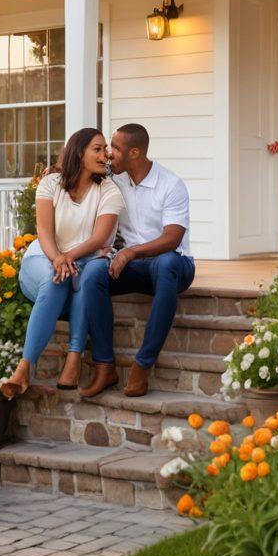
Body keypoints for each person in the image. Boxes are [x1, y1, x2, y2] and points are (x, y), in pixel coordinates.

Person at [0, 128, 123, 400]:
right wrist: (58, 258)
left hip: (82, 261)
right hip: (43, 257)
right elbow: (44, 231)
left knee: (77, 278)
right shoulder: (50, 184)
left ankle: (56, 363)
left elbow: (100, 237)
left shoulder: (109, 190)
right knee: (58, 278)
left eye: (106, 150)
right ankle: (29, 366)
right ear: (79, 152)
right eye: (98, 149)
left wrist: (68, 257)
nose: (106, 155)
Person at [97, 123, 195, 398]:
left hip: (175, 265)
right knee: (94, 276)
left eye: (115, 148)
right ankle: (104, 364)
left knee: (166, 263)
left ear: (135, 152)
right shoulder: (114, 180)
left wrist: (130, 252)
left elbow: (172, 238)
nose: (108, 152)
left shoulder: (170, 184)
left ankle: (143, 364)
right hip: (136, 267)